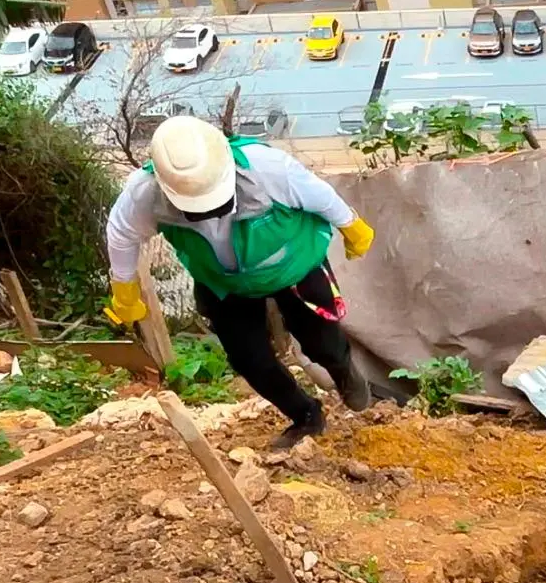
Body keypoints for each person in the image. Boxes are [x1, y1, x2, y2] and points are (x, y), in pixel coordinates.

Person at [106, 115, 375, 448]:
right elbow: (121, 235)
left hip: (293, 265)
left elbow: (319, 195)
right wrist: (124, 288)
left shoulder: (267, 168)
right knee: (250, 359)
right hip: (224, 282)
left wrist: (352, 226)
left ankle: (344, 372)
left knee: (323, 343)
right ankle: (306, 416)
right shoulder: (144, 193)